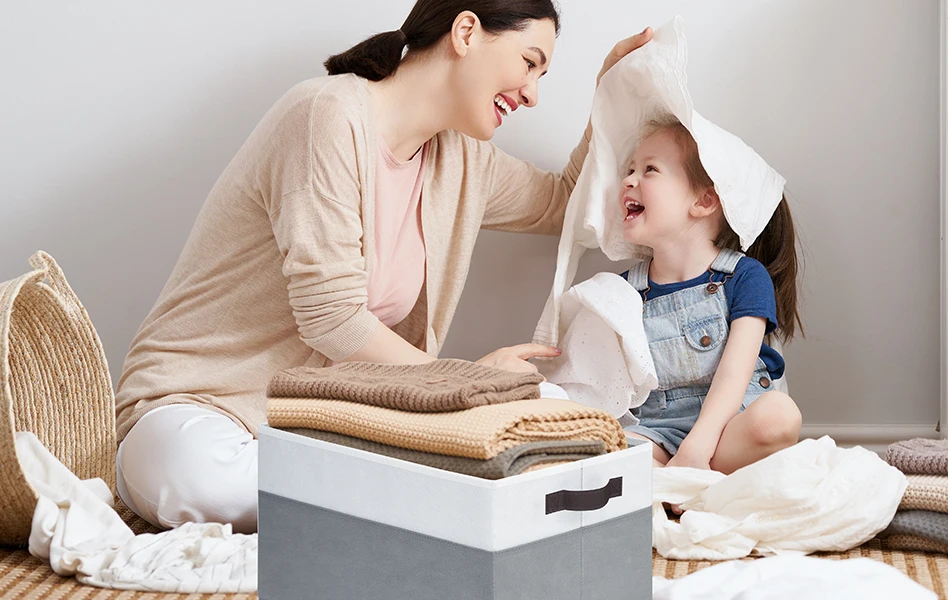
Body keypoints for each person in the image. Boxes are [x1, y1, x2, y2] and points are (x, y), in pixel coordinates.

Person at [112, 0, 652, 533]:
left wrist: (606, 102)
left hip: (319, 425)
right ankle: (388, 495)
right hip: (198, 408)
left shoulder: (462, 160)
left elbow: (564, 202)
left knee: (547, 422)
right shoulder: (326, 114)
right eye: (530, 62)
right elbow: (333, 319)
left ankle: (362, 495)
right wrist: (467, 382)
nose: (533, 93)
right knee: (199, 481)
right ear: (466, 32)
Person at [618, 119, 804, 474]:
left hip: (730, 425)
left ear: (703, 201)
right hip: (658, 430)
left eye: (649, 169)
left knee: (779, 416)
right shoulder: (623, 291)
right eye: (629, 169)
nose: (628, 180)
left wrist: (698, 447)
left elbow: (735, 374)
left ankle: (682, 474)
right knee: (600, 447)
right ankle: (690, 478)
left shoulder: (745, 277)